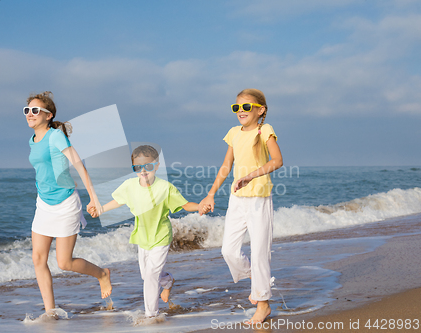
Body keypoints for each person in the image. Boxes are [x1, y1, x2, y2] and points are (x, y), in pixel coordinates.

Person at [88, 145, 208, 318]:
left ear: (157, 166)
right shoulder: (129, 185)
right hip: (142, 237)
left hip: (161, 236)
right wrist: (101, 210)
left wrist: (200, 206)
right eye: (138, 167)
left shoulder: (165, 188)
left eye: (148, 166)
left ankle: (151, 316)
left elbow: (184, 205)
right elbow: (118, 200)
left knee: (151, 275)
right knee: (147, 276)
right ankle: (167, 280)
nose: (143, 171)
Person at [198, 89, 283, 324]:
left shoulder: (264, 130)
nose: (240, 112)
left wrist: (251, 176)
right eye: (236, 108)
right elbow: (226, 165)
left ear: (260, 110)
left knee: (259, 253)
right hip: (237, 199)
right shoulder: (234, 133)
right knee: (229, 251)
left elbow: (277, 160)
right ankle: (258, 283)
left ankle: (263, 304)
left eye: (246, 107)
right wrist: (210, 194)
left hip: (259, 198)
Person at [25, 91, 112, 317]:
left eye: (35, 110)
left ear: (48, 115)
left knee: (64, 262)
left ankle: (102, 274)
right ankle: (50, 311)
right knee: (38, 258)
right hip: (43, 204)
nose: (30, 114)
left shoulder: (56, 136)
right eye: (27, 110)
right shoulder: (32, 140)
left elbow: (79, 166)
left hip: (65, 203)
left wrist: (93, 198)